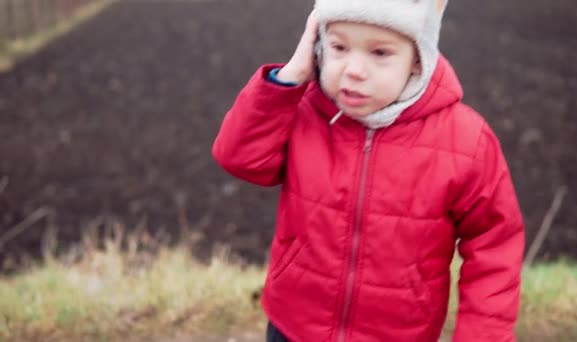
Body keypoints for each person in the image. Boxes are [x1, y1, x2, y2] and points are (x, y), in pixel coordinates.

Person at [212, 0, 525, 341]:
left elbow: (494, 245)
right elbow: (239, 157)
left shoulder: (465, 141)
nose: (354, 69)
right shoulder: (302, 112)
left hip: (399, 333)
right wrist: (290, 77)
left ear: (418, 59)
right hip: (295, 326)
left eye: (379, 53)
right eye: (339, 47)